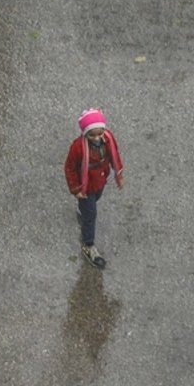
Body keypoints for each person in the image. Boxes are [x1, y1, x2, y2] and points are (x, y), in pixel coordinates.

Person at [64, 108, 124, 268]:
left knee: (95, 199)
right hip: (85, 186)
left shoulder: (108, 139)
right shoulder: (78, 147)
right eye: (92, 135)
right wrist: (76, 189)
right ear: (85, 133)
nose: (97, 138)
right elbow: (70, 168)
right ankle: (88, 245)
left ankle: (83, 211)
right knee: (91, 214)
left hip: (100, 180)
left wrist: (118, 173)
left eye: (100, 133)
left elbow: (114, 154)